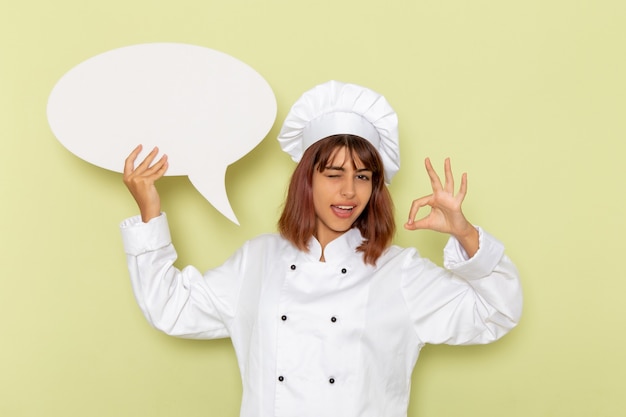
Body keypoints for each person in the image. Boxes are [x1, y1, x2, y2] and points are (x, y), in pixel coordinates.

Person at [120, 80, 522, 417]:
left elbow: (497, 312)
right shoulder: (257, 261)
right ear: (305, 179)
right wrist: (150, 212)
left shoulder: (400, 272)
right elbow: (169, 308)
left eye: (363, 176)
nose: (349, 191)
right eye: (333, 174)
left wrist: (465, 233)